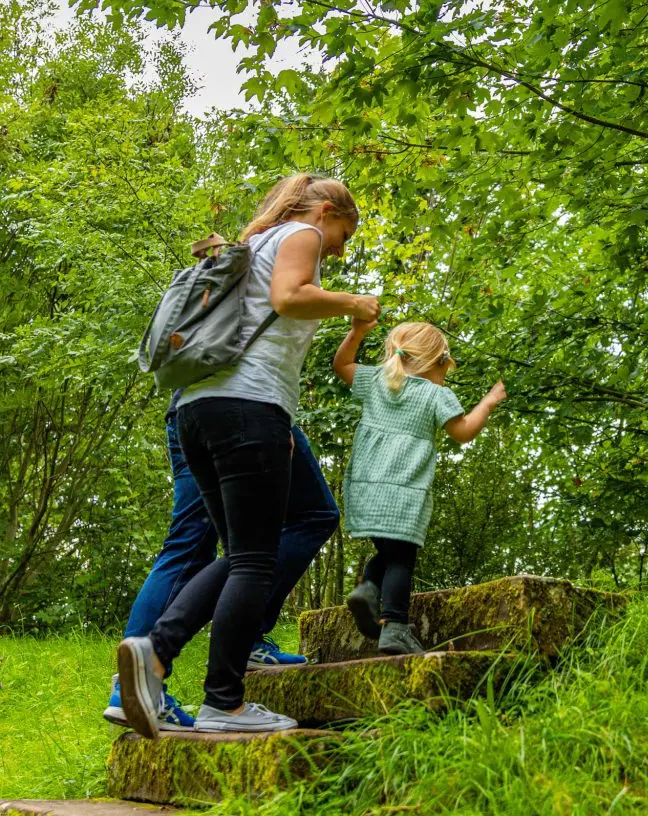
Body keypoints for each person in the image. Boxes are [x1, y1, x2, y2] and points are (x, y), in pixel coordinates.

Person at [117, 174, 380, 737]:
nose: (339, 246)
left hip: (198, 410)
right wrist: (354, 303)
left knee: (240, 553)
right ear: (328, 211)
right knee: (256, 558)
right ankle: (224, 702)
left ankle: (155, 655)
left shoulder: (250, 243)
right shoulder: (301, 234)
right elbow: (289, 298)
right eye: (344, 232)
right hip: (247, 407)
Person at [333, 320, 506, 654]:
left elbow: (340, 364)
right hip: (405, 490)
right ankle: (394, 627)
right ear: (436, 363)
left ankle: (367, 589)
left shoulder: (375, 381)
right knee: (401, 559)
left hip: (367, 487)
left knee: (388, 550)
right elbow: (463, 431)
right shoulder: (434, 394)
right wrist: (489, 402)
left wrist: (356, 332)